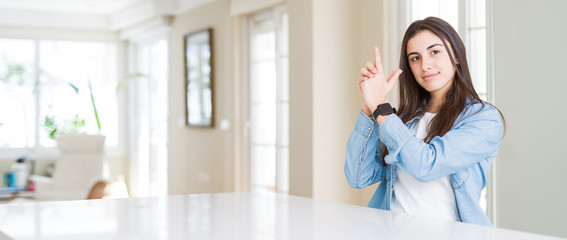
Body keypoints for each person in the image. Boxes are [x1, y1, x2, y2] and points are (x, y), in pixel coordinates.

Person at [344, 17, 505, 226]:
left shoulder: (484, 119)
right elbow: (358, 178)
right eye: (415, 58)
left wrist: (380, 108)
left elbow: (426, 165)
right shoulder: (403, 120)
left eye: (434, 52)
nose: (425, 65)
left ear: (455, 55)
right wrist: (369, 108)